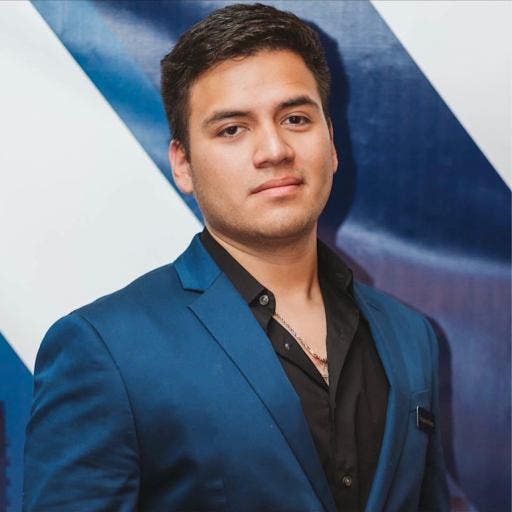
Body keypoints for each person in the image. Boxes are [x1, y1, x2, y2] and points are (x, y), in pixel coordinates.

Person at [23, 3, 449, 511]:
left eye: (295, 118)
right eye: (232, 129)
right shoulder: (104, 349)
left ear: (332, 143)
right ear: (183, 164)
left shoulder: (410, 335)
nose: (274, 150)